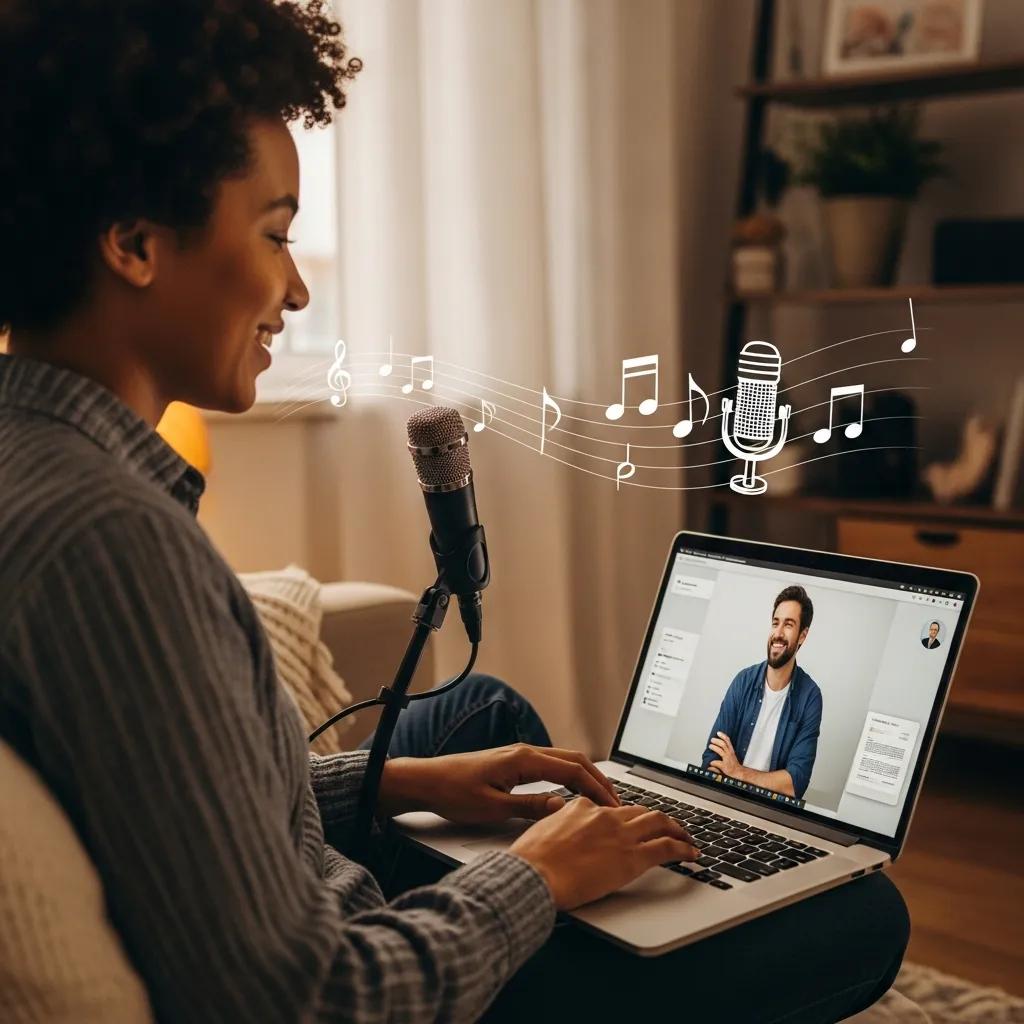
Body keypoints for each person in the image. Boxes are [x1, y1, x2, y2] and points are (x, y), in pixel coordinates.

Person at [0, 2, 909, 1021]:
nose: (296, 289)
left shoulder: (33, 456)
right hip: (375, 971)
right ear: (132, 241)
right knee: (866, 917)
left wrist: (401, 782)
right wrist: (537, 879)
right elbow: (304, 998)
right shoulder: (112, 544)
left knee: (488, 722)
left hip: (315, 897)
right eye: (274, 234)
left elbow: (179, 808)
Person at [701, 585, 823, 801]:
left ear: (802, 635)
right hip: (725, 798)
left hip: (771, 812)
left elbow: (795, 783)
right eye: (775, 623)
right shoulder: (743, 681)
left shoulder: (810, 697)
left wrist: (738, 772)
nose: (778, 633)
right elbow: (712, 759)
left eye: (788, 625)